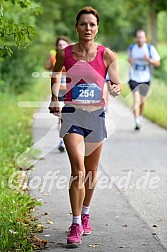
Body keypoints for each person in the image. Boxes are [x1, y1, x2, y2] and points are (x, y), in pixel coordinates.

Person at [49, 6, 121, 247]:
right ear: (76, 27)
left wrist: (115, 88)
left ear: (97, 27)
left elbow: (116, 82)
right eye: (83, 24)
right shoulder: (65, 53)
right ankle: (76, 222)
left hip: (96, 116)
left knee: (91, 172)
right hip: (71, 114)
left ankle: (86, 212)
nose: (87, 28)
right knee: (78, 169)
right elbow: (56, 74)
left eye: (92, 24)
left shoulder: (107, 55)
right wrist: (54, 97)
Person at [128, 30, 160, 130]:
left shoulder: (150, 48)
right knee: (136, 99)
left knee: (143, 100)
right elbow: (129, 60)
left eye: (141, 37)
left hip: (146, 78)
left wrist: (149, 60)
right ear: (136, 38)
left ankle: (140, 116)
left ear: (145, 38)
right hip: (133, 77)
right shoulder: (132, 48)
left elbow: (158, 63)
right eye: (138, 37)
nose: (140, 39)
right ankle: (137, 121)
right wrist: (130, 61)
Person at [45, 36, 69, 151]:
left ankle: (65, 140)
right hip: (58, 91)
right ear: (56, 47)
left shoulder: (71, 58)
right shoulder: (54, 57)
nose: (61, 47)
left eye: (64, 45)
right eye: (59, 45)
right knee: (62, 117)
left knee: (67, 116)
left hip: (69, 91)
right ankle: (62, 140)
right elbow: (47, 67)